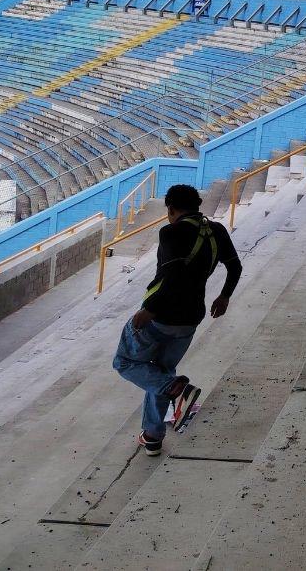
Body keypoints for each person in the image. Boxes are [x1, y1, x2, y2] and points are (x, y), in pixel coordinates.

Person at [112, 183, 242, 455]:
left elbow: (171, 277)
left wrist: (150, 310)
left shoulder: (171, 232)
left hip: (161, 317)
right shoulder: (216, 230)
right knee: (161, 370)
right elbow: (235, 266)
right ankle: (152, 436)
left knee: (124, 362)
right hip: (191, 318)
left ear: (171, 209)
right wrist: (224, 296)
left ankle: (174, 388)